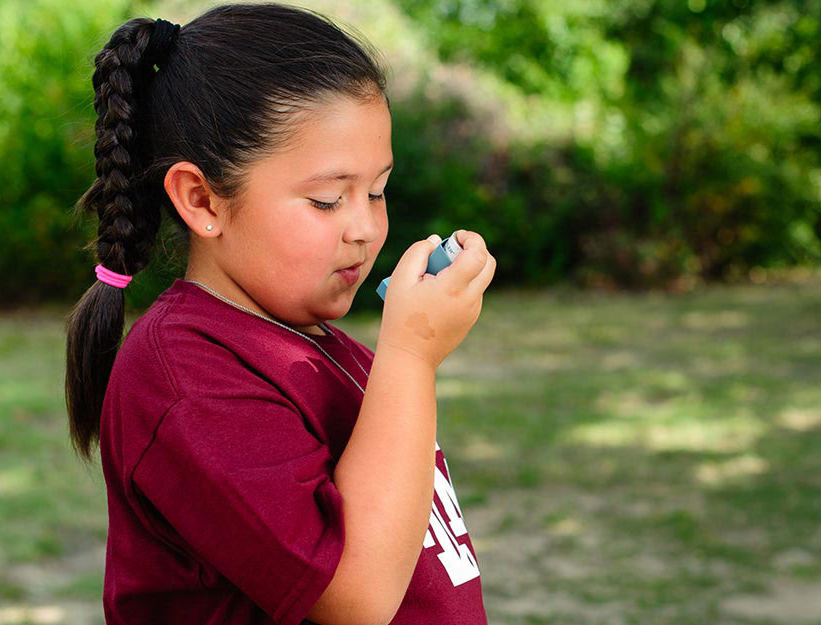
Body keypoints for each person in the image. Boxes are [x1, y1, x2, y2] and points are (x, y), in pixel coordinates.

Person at [63, 3, 496, 624]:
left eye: (377, 190)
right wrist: (412, 353)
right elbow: (357, 598)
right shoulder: (184, 378)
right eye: (327, 201)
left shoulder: (325, 349)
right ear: (202, 199)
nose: (367, 228)